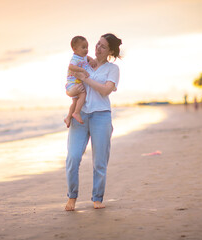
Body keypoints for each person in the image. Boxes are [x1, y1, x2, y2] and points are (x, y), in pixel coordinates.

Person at [65, 33, 122, 211]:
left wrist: (86, 79)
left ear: (110, 51)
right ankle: (72, 197)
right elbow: (71, 72)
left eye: (103, 46)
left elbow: (106, 90)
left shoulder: (113, 69)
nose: (98, 48)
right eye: (97, 44)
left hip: (101, 116)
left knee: (99, 161)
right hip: (80, 115)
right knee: (73, 158)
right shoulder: (84, 62)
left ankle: (97, 198)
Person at [64, 36, 97, 128]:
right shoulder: (75, 58)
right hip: (73, 84)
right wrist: (82, 70)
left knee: (74, 102)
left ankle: (68, 117)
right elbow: (71, 67)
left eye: (87, 47)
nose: (86, 50)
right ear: (74, 49)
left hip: (74, 84)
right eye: (83, 47)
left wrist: (92, 60)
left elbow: (87, 57)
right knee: (83, 95)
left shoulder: (82, 57)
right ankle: (77, 113)